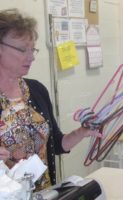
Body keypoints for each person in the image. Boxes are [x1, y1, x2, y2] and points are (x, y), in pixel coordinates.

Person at [0, 9, 100, 190]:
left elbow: (56, 144)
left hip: (45, 193)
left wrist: (82, 132)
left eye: (33, 49)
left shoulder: (37, 90)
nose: (31, 57)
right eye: (23, 49)